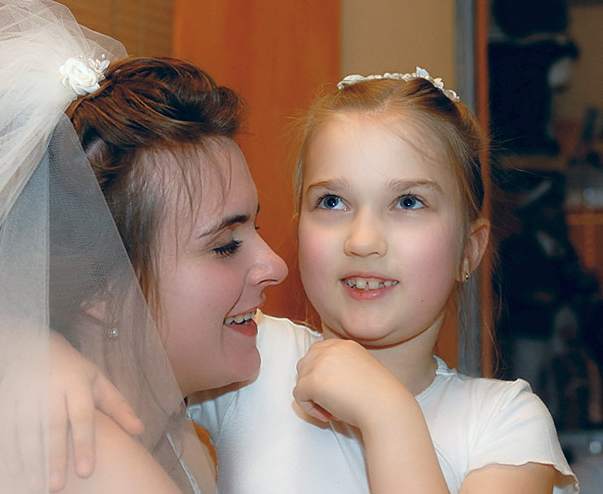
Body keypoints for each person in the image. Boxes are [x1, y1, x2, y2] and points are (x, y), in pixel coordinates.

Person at [50, 68, 580, 493]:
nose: (363, 240)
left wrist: (388, 415)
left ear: (470, 248)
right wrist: (34, 350)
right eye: (332, 201)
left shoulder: (505, 424)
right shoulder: (252, 358)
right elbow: (119, 339)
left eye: (408, 202)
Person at [0, 1, 286, 493]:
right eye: (225, 245)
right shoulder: (80, 458)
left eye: (257, 227)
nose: (275, 264)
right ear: (102, 284)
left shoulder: (151, 429)